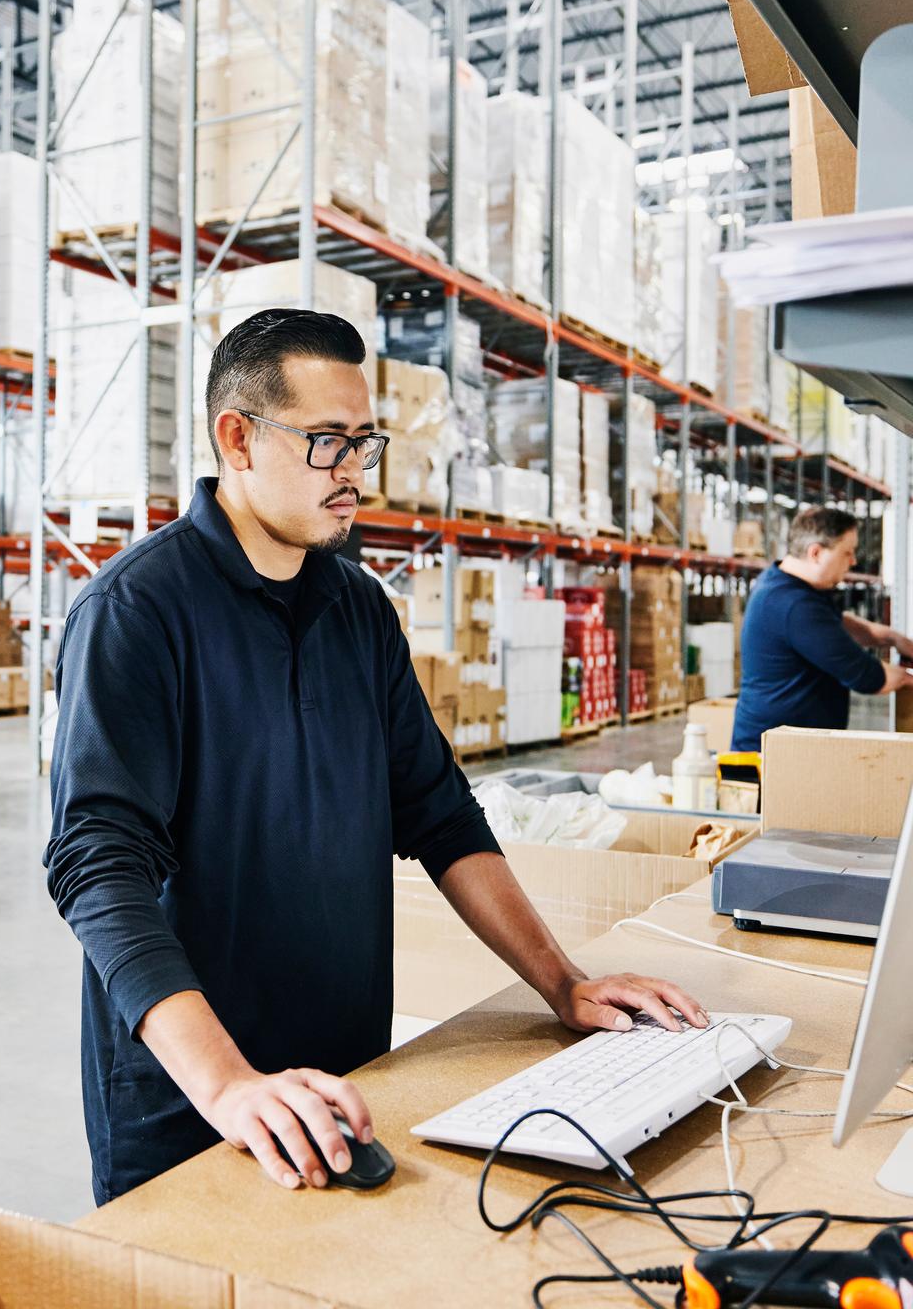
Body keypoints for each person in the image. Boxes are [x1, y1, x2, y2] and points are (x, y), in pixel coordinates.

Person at [44, 308, 708, 1208]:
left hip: (351, 1079)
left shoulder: (359, 611)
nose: (355, 473)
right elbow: (99, 868)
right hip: (194, 1101)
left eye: (364, 442)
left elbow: (439, 812)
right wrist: (229, 1085)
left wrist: (565, 984)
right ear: (236, 439)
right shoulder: (137, 612)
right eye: (327, 443)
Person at [731, 505, 913, 753]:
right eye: (846, 553)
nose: (853, 561)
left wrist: (893, 638)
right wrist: (907, 677)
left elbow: (838, 623)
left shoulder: (785, 582)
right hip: (774, 757)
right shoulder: (794, 606)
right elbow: (870, 678)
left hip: (793, 747)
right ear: (815, 553)